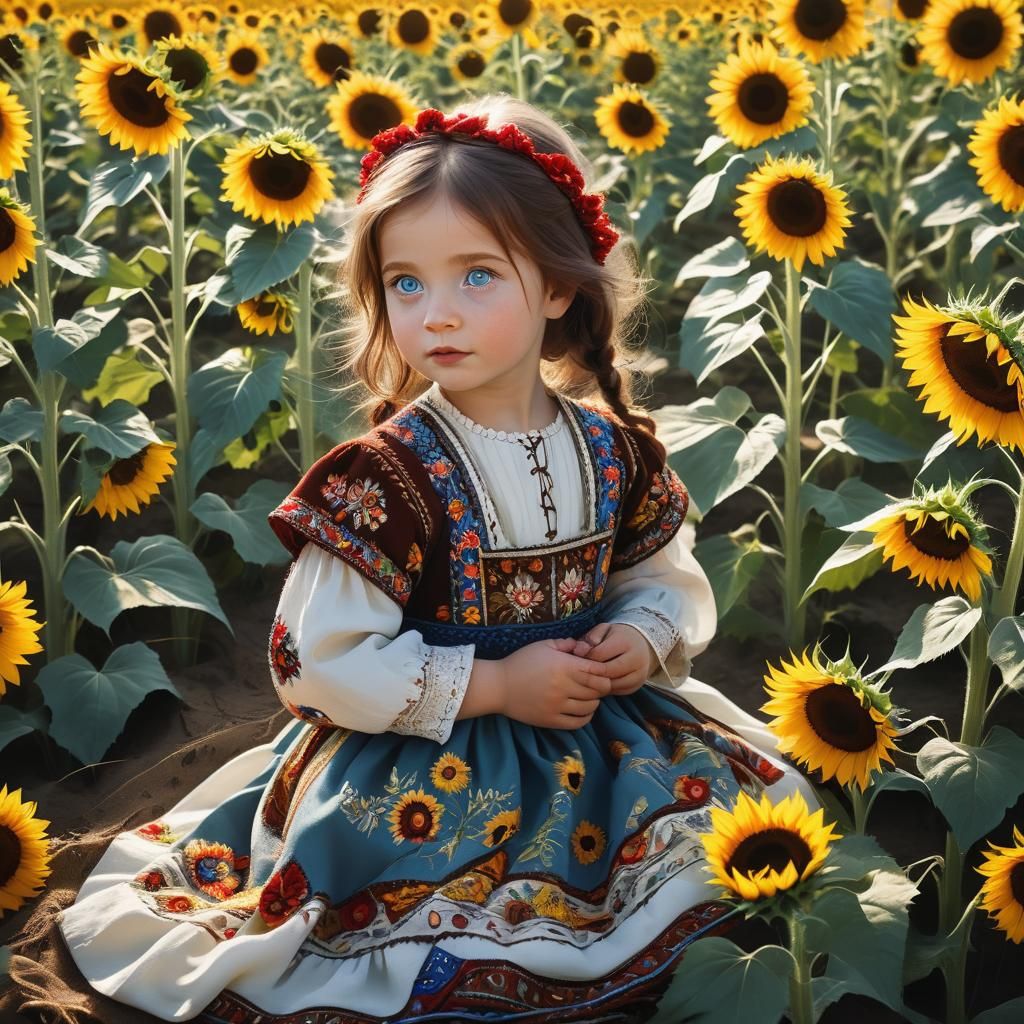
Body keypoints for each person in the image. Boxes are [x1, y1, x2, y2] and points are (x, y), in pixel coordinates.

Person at [55, 94, 821, 1022]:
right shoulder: (386, 481)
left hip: (603, 735)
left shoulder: (613, 448)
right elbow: (317, 663)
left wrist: (641, 634)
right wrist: (497, 687)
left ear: (557, 287)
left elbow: (662, 578)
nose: (436, 314)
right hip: (428, 760)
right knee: (416, 933)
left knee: (747, 844)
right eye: (405, 284)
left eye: (476, 277)